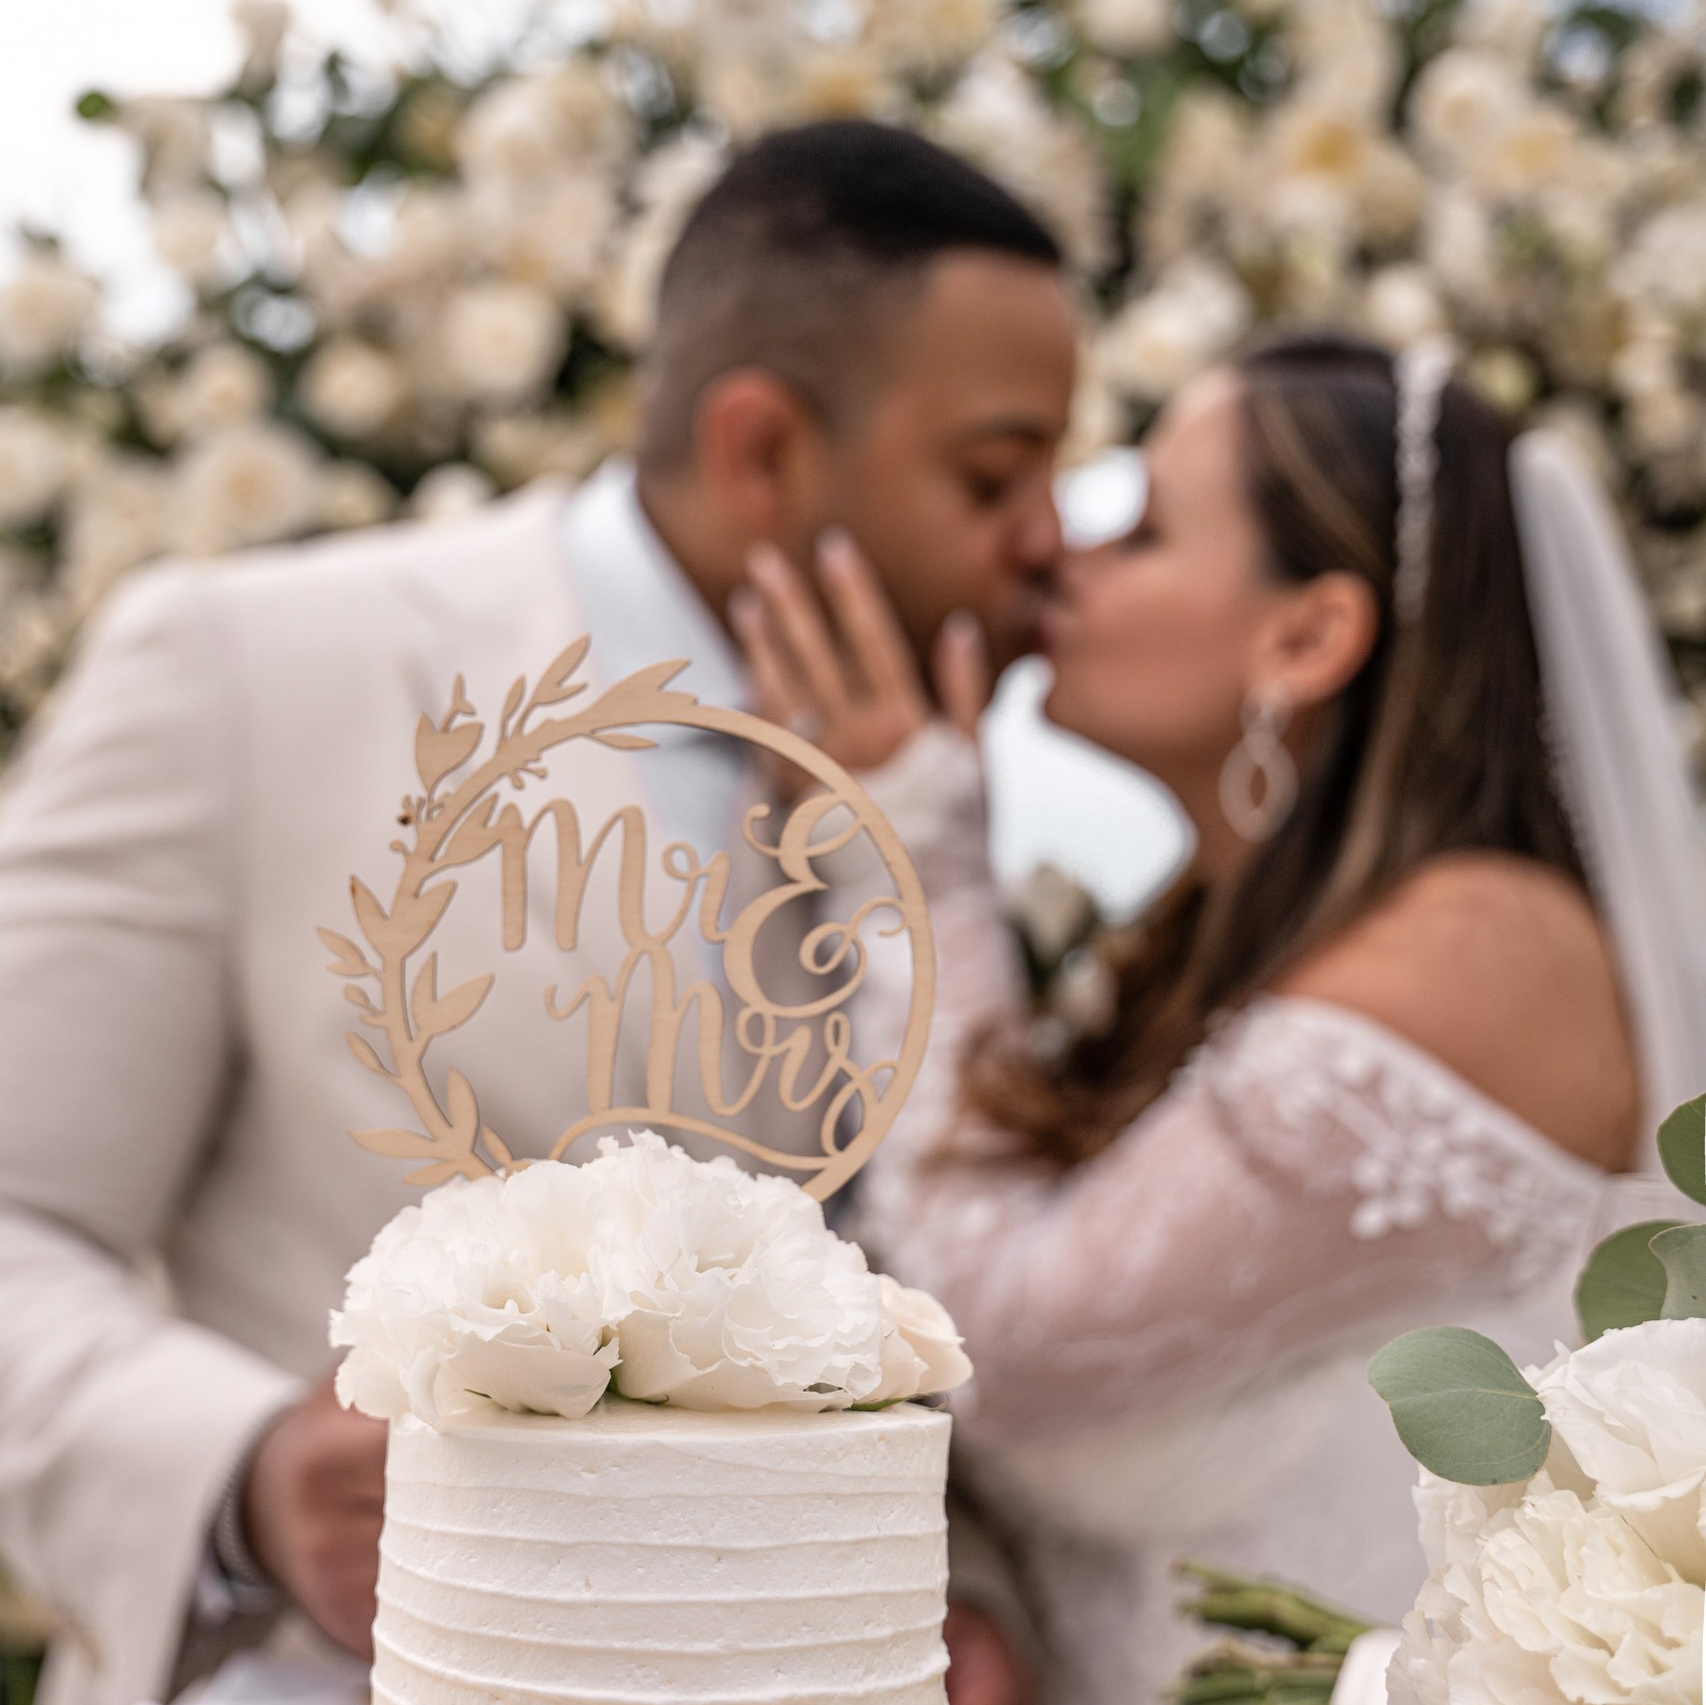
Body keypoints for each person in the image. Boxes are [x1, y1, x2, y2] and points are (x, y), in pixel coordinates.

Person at [0, 119, 1075, 1705]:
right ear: (763, 449)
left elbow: (911, 1281)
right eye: (995, 474)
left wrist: (967, 1602)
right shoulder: (251, 669)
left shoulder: (928, 812)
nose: (1050, 541)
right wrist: (242, 1470)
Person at [735, 332, 1706, 1704]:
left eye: (1139, 527)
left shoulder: (1480, 946)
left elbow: (994, 1337)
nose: (1059, 557)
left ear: (1305, 634)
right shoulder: (1243, 937)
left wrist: (913, 850)